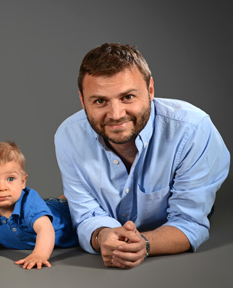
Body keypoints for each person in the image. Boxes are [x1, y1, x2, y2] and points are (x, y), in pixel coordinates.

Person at [54, 43, 230, 269]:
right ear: (82, 101)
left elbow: (188, 222)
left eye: (127, 97)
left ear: (150, 90)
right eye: (100, 101)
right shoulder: (69, 136)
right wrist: (104, 236)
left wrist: (143, 244)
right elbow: (87, 215)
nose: (116, 115)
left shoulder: (193, 130)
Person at [0, 141, 78, 269]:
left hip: (68, 217)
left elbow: (45, 229)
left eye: (10, 179)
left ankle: (68, 196)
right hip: (45, 205)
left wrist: (39, 254)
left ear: (23, 181)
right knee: (47, 204)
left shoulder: (29, 202)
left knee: (71, 203)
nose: (2, 188)